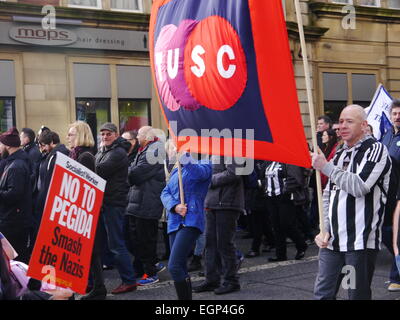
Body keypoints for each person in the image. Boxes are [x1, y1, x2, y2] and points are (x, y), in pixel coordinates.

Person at [312, 104, 392, 300]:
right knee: (322, 293)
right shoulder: (340, 153)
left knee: (356, 295)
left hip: (359, 243)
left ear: (364, 125)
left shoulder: (376, 149)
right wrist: (324, 228)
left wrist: (326, 167)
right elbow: (328, 194)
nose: (342, 126)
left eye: (349, 121)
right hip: (332, 242)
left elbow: (360, 186)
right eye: (340, 121)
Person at [161, 146, 212, 300]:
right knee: (180, 266)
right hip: (175, 221)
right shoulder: (177, 170)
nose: (171, 152)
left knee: (174, 266)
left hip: (191, 219)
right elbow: (165, 192)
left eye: (174, 148)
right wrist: (174, 206)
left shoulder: (205, 164)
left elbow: (199, 174)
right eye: (170, 149)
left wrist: (185, 157)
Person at [193, 156, 245, 295]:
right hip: (212, 202)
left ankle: (231, 281)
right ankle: (211, 279)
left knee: (224, 243)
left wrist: (208, 180)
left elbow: (233, 173)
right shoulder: (213, 151)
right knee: (210, 243)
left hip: (227, 202)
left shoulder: (234, 148)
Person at [95, 122, 137, 294]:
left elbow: (99, 170)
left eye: (108, 134)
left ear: (116, 135)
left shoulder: (118, 152)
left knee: (116, 244)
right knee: (109, 243)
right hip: (105, 202)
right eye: (103, 134)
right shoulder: (104, 150)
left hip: (113, 203)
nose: (105, 137)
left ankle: (129, 280)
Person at [65, 121, 105, 300]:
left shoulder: (85, 156)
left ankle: (99, 288)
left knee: (92, 250)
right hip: (80, 209)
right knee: (86, 250)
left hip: (87, 210)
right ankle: (92, 285)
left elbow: (87, 186)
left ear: (80, 135)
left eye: (71, 134)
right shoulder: (76, 155)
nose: (68, 137)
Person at [126, 126, 166, 286]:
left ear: (148, 136)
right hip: (139, 201)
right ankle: (144, 268)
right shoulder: (146, 149)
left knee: (145, 240)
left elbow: (135, 173)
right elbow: (132, 170)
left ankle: (150, 272)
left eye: (139, 134)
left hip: (147, 202)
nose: (137, 137)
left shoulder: (154, 151)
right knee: (136, 239)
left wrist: (128, 172)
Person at [0, 128, 33, 264]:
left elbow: (14, 194)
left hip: (14, 222)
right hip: (12, 219)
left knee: (16, 259)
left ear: (7, 145)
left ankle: (21, 284)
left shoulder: (16, 166)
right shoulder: (13, 163)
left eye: (0, 144)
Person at [264, 161, 308, 262]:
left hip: (285, 197)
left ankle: (301, 245)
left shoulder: (288, 161)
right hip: (271, 198)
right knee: (276, 226)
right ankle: (280, 255)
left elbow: (297, 179)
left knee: (287, 224)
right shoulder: (269, 162)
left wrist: (286, 190)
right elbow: (263, 177)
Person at [380, 99, 400, 292]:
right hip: (387, 195)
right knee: (384, 231)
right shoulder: (386, 136)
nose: (398, 116)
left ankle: (396, 276)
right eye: (394, 113)